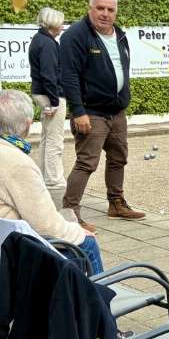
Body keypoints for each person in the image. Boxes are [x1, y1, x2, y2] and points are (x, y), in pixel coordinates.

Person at [60, 0, 145, 232]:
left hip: (117, 111)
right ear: (90, 9)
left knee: (119, 158)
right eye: (100, 8)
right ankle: (69, 214)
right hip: (91, 112)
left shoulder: (120, 35)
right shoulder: (75, 36)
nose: (105, 14)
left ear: (115, 12)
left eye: (110, 9)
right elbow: (69, 76)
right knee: (86, 163)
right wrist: (78, 111)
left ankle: (116, 203)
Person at [0, 89, 103, 273]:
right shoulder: (17, 163)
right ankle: (98, 292)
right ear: (28, 124)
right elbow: (46, 226)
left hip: (9, 244)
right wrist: (79, 232)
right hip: (14, 255)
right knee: (88, 244)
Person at [28, 7, 67, 202]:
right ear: (52, 23)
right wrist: (54, 101)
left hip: (40, 93)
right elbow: (49, 74)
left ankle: (45, 176)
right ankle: (54, 180)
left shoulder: (38, 39)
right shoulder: (48, 43)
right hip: (51, 95)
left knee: (46, 137)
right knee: (55, 139)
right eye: (61, 23)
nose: (62, 26)